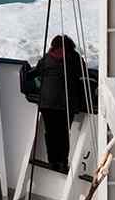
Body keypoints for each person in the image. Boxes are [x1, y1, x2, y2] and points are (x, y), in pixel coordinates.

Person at [30, 35, 90, 173]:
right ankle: (63, 162)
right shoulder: (75, 58)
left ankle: (52, 161)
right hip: (66, 103)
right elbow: (83, 74)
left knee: (50, 133)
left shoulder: (47, 58)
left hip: (47, 102)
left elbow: (37, 72)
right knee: (63, 133)